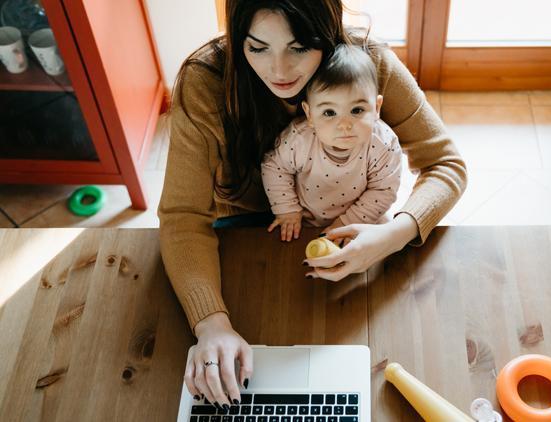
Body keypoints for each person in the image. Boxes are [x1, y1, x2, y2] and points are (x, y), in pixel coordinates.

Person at [158, 0, 467, 412]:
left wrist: (394, 234)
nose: (280, 71)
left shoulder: (369, 63)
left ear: (327, 28)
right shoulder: (206, 82)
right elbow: (183, 217)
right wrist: (210, 323)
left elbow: (446, 164)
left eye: (299, 47)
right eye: (257, 47)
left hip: (349, 241)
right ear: (237, 38)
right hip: (245, 240)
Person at [262, 43, 401, 242]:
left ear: (376, 107)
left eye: (357, 110)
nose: (344, 125)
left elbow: (383, 190)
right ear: (309, 113)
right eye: (329, 113)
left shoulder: (383, 144)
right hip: (305, 220)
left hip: (364, 219)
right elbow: (274, 167)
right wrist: (287, 211)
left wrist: (346, 224)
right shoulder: (300, 139)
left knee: (385, 250)